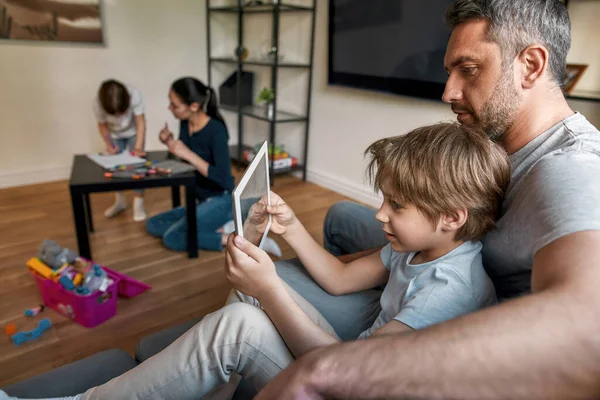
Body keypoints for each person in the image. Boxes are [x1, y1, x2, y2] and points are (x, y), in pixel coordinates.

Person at [0, 121, 509, 400]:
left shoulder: (449, 289)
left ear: (451, 216)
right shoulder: (422, 245)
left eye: (395, 205)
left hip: (355, 382)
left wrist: (269, 288)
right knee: (252, 289)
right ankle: (214, 388)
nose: (379, 213)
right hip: (357, 356)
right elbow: (338, 279)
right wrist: (291, 228)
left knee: (244, 319)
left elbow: (349, 376)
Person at [255, 0, 600, 399]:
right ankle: (371, 288)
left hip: (458, 295)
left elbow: (588, 321)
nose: (448, 91)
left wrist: (327, 368)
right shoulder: (498, 139)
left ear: (531, 65)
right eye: (450, 72)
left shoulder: (572, 166)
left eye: (468, 70)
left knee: (274, 279)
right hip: (447, 250)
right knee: (340, 216)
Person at [145, 77, 235, 253]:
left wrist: (187, 153)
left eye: (175, 105)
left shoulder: (217, 131)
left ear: (193, 106)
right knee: (152, 224)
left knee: (172, 238)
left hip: (221, 199)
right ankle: (210, 228)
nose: (170, 108)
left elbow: (223, 179)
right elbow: (185, 159)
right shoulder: (185, 123)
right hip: (199, 200)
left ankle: (231, 238)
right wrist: (169, 141)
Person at [93, 79, 147, 222]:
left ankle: (138, 203)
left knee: (138, 166)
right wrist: (109, 143)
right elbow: (102, 125)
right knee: (115, 167)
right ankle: (120, 201)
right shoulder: (98, 103)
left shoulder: (134, 94)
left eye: (120, 112)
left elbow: (141, 122)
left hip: (135, 132)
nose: (118, 117)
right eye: (114, 114)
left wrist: (138, 147)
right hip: (114, 134)